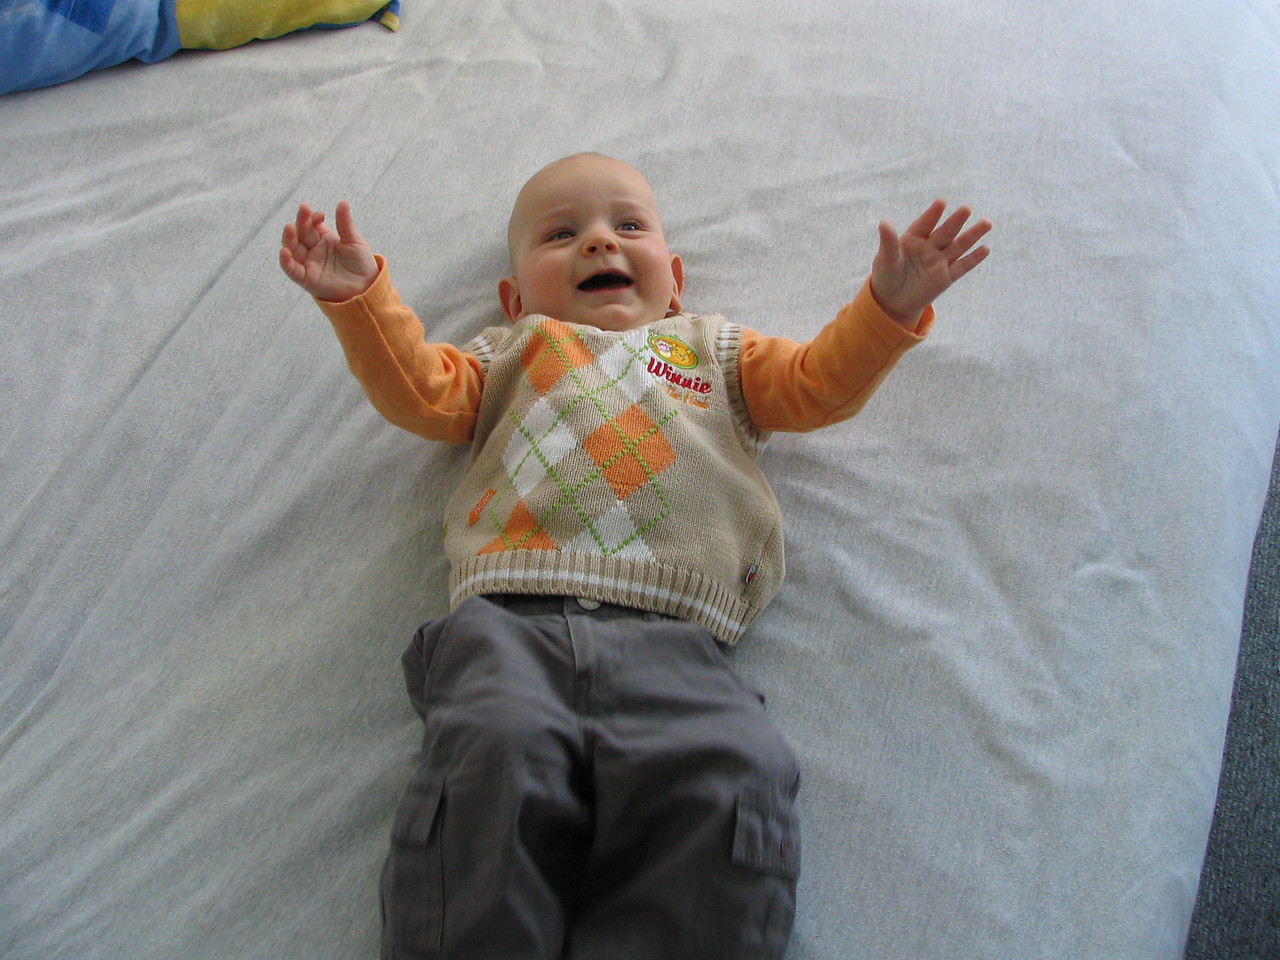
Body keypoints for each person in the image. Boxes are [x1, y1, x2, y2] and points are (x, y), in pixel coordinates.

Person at [279, 153, 991, 960]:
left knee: (729, 773)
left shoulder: (716, 354)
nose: (597, 242)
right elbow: (420, 390)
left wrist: (886, 309)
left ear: (675, 280)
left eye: (627, 225)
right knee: (491, 761)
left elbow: (817, 383)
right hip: (511, 629)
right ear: (514, 299)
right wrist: (360, 300)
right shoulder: (511, 353)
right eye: (560, 235)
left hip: (678, 648)